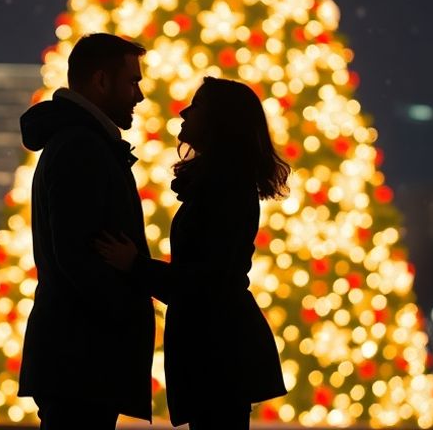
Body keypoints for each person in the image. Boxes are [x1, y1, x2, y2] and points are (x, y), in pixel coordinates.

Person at [96, 76, 289, 429]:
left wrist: (135, 266)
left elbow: (207, 280)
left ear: (219, 120)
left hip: (219, 353)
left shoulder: (226, 190)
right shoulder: (220, 185)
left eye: (196, 106)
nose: (184, 111)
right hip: (217, 349)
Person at [17, 33, 154, 428]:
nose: (139, 96)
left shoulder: (79, 142)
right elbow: (76, 254)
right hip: (84, 358)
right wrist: (122, 313)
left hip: (76, 356)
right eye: (132, 82)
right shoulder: (82, 147)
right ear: (100, 81)